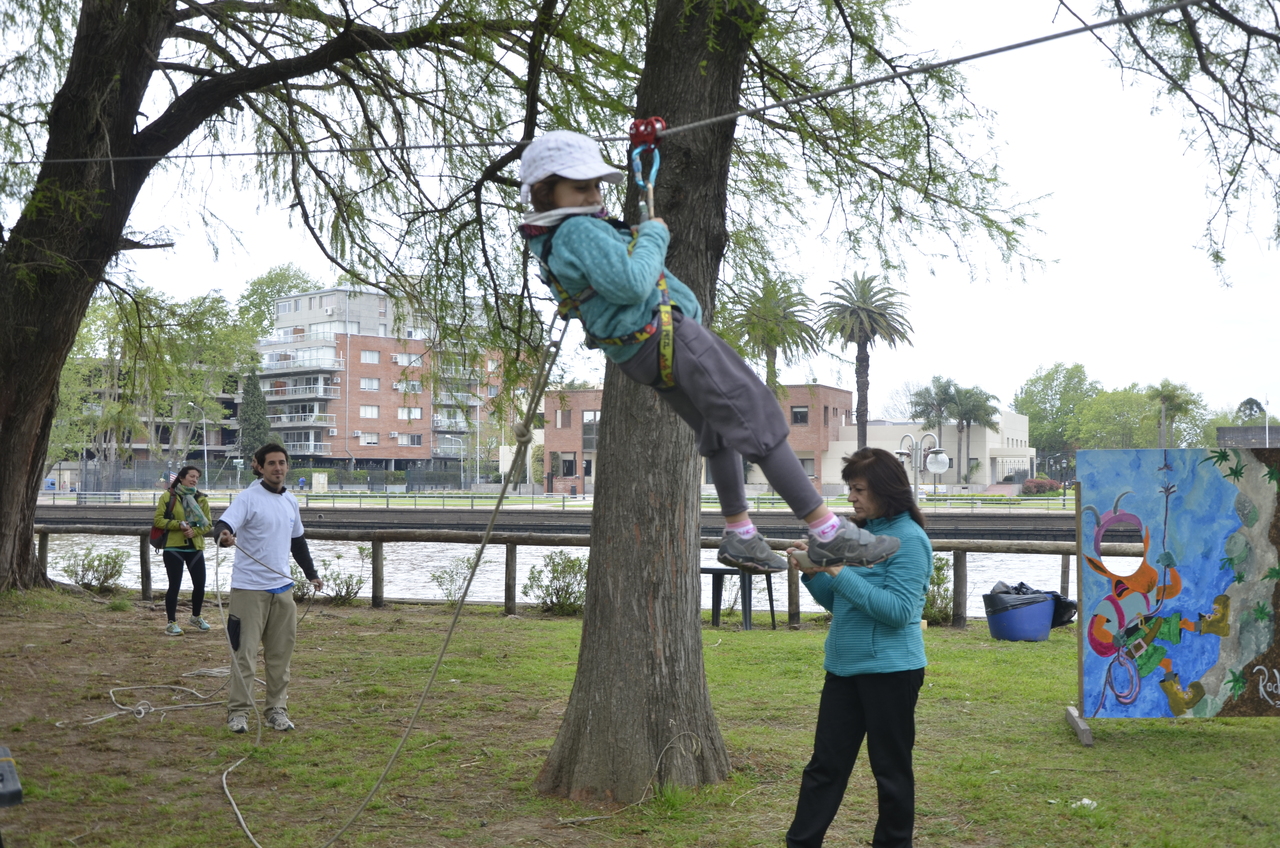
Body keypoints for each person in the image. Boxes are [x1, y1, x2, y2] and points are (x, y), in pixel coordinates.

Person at [517, 131, 898, 573]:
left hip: (641, 352)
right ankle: (829, 532)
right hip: (667, 337)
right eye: (580, 186)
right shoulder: (579, 228)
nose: (593, 194)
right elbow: (632, 283)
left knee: (719, 430)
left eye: (596, 185)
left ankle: (740, 533)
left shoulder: (552, 238)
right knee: (760, 419)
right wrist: (654, 238)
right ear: (546, 192)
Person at [785, 447, 931, 848]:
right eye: (850, 488)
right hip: (845, 670)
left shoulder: (908, 540)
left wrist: (836, 567)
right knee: (824, 768)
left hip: (892, 673)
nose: (851, 497)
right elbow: (842, 602)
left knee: (890, 772)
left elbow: (898, 612)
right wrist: (814, 572)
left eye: (859, 488)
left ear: (886, 490)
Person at [212, 444, 323, 734]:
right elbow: (224, 524)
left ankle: (277, 710)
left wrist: (311, 574)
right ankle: (238, 713)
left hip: (282, 590)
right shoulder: (248, 498)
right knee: (244, 655)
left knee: (279, 657)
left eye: (282, 463)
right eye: (271, 463)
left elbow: (297, 541)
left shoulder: (291, 501)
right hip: (249, 591)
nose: (278, 468)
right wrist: (223, 536)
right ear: (259, 466)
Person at [153, 466, 212, 635]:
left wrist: (195, 531)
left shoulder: (201, 499)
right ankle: (171, 622)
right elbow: (158, 521)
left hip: (195, 547)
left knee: (200, 584)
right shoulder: (168, 497)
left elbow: (207, 524)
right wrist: (178, 525)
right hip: (174, 547)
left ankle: (196, 617)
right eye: (191, 476)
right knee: (175, 585)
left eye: (197, 478)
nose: (194, 480)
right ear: (181, 478)